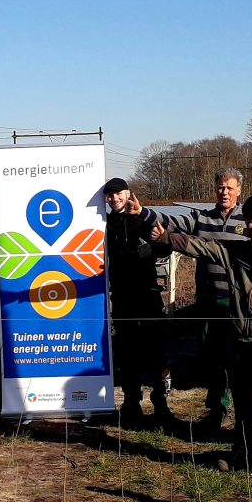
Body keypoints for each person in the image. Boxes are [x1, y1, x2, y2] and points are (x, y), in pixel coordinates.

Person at [135, 192, 252, 477]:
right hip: (242, 346)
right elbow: (202, 246)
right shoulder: (236, 252)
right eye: (250, 221)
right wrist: (167, 238)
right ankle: (244, 455)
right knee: (244, 405)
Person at [153, 168, 246, 432]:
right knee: (213, 356)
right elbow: (174, 223)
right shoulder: (202, 218)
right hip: (208, 301)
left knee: (236, 358)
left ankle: (239, 414)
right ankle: (217, 409)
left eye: (229, 188)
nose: (224, 192)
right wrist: (143, 214)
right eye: (219, 187)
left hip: (237, 303)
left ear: (238, 190)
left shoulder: (248, 221)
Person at [103, 177, 173, 427]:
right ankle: (131, 403)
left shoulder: (141, 218)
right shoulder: (104, 223)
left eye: (118, 194)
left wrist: (153, 250)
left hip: (147, 292)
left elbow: (166, 245)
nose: (114, 199)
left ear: (128, 193)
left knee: (155, 351)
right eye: (110, 195)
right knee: (127, 351)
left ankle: (161, 404)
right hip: (121, 295)